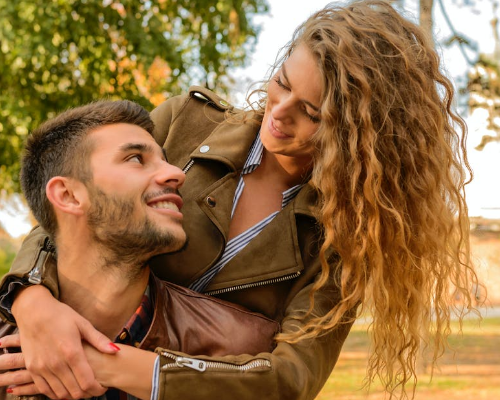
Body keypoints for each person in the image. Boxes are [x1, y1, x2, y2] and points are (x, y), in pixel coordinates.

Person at [0, 1, 479, 399]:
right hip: (52, 364)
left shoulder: (343, 243)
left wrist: (112, 365)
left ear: (360, 137)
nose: (279, 112)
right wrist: (30, 300)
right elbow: (70, 205)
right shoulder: (185, 123)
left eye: (311, 113)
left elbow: (288, 380)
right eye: (283, 83)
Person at [0, 100, 279, 400]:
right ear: (68, 195)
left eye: (166, 160)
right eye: (135, 159)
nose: (177, 174)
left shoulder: (243, 350)